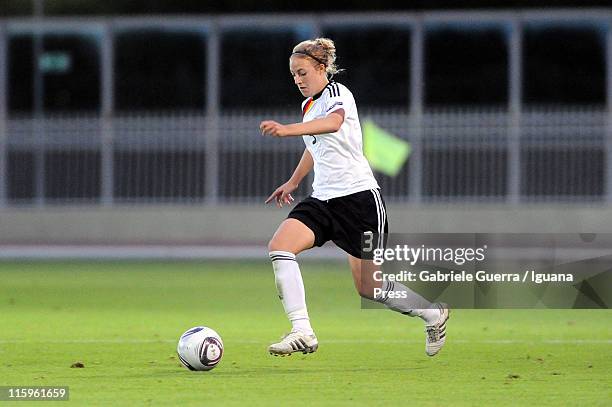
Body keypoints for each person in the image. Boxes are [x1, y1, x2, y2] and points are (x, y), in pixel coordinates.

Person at [259, 38, 449, 357]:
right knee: (280, 246)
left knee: (369, 288)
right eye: (293, 75)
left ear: (321, 68)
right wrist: (293, 181)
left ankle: (433, 314)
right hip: (322, 200)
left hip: (359, 200)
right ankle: (302, 331)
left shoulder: (338, 94)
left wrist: (285, 129)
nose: (298, 80)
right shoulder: (308, 107)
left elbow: (332, 125)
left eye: (303, 72)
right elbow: (314, 146)